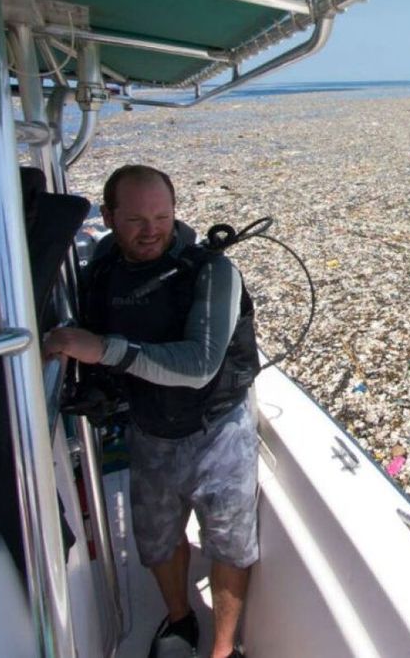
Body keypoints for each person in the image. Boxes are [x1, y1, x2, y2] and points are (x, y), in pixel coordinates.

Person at [44, 165, 261, 658]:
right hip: (149, 425)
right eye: (136, 219)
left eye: (162, 216)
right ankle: (180, 619)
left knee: (229, 542)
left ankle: (223, 649)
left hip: (218, 428)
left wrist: (103, 350)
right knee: (157, 539)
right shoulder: (104, 265)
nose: (152, 230)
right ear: (108, 217)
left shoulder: (211, 272)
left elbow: (201, 364)